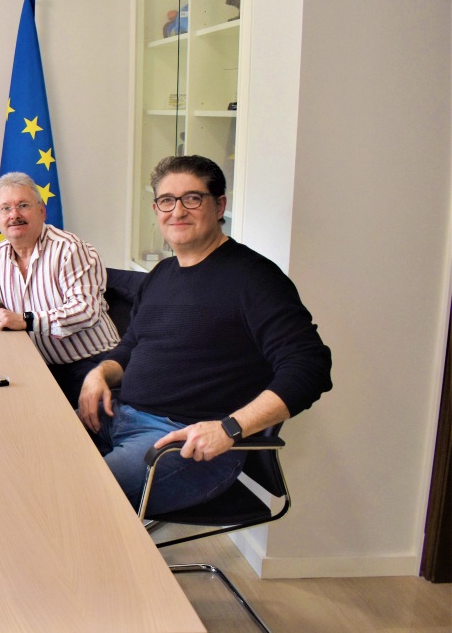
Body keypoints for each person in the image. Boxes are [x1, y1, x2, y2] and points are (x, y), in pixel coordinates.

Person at [77, 155, 331, 515]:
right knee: (32, 453)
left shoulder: (254, 279)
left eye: (192, 198)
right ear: (156, 209)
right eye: (167, 200)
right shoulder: (162, 273)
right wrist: (100, 373)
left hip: (183, 443)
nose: (178, 211)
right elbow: (133, 344)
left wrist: (229, 428)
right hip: (117, 416)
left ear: (219, 206)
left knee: (75, 494)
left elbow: (310, 367)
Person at [0, 172, 120, 404]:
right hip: (40, 363)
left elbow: (85, 311)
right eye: (5, 208)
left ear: (42, 211)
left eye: (23, 205)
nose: (14, 215)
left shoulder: (69, 250)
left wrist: (27, 320)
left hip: (93, 363)